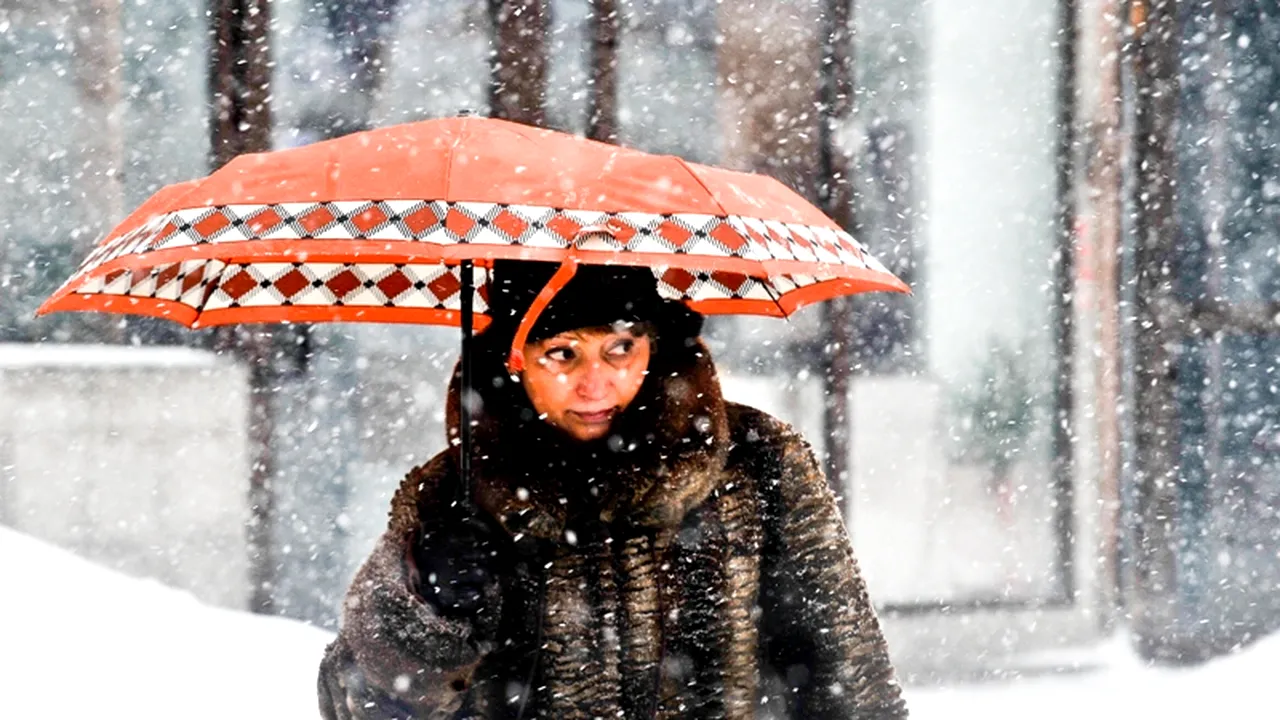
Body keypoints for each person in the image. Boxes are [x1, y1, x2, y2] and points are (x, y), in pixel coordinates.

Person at [317, 260, 908, 719]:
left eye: (620, 348)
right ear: (515, 361)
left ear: (654, 347)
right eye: (562, 353)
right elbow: (352, 704)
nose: (595, 383)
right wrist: (425, 615)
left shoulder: (758, 465)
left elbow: (850, 681)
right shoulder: (452, 494)